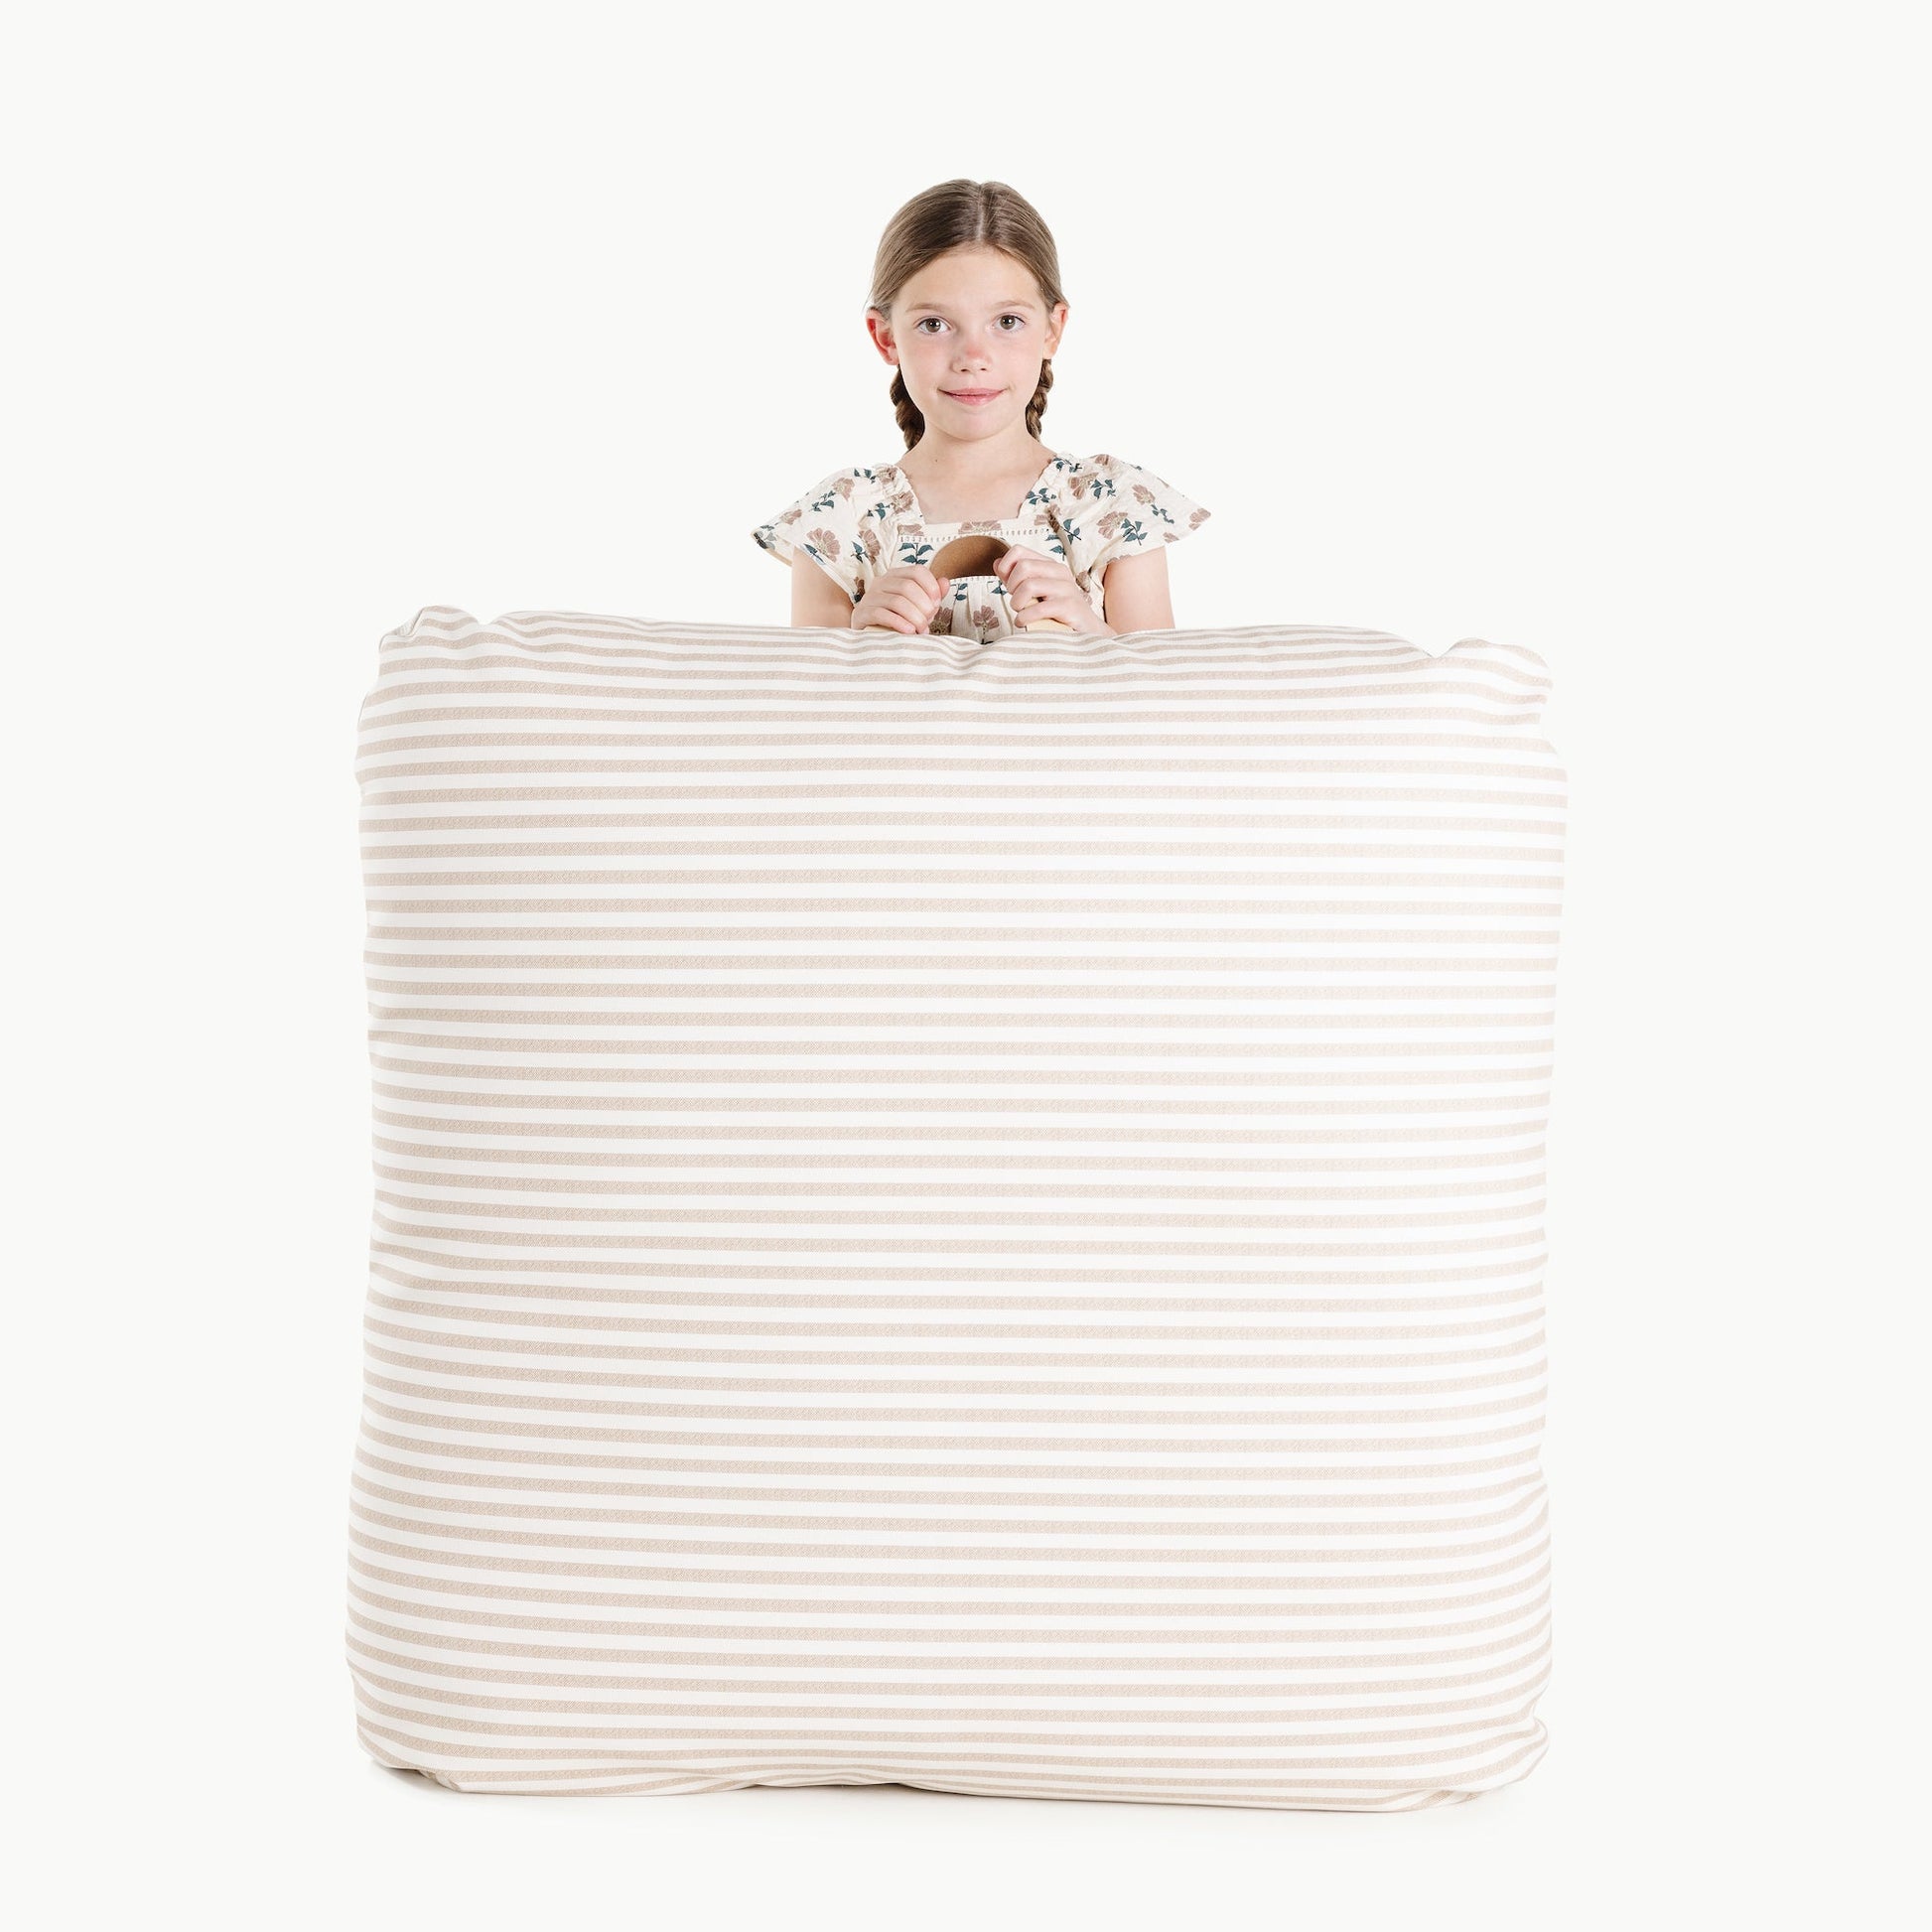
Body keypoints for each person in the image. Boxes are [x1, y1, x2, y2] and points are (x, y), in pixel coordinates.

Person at [751, 179, 1211, 641]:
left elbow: (1156, 681)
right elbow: (813, 685)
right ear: (885, 337)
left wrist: (1090, 629)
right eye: (934, 324)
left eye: (1007, 321)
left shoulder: (1114, 505)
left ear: (1052, 330)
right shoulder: (840, 519)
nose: (973, 357)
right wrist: (861, 638)